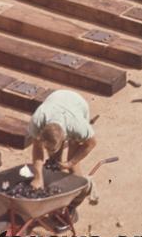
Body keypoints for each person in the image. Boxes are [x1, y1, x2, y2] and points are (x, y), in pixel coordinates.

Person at [28, 89, 97, 219]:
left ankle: (71, 207)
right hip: (56, 99)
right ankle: (56, 195)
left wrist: (70, 163)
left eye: (53, 148)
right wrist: (38, 177)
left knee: (73, 169)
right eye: (46, 147)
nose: (48, 150)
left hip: (76, 104)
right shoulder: (38, 120)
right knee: (54, 161)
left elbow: (92, 143)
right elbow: (37, 149)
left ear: (63, 139)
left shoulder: (77, 127)